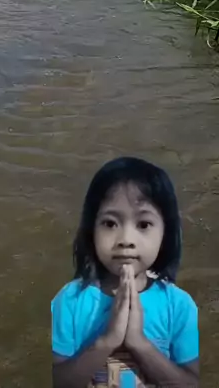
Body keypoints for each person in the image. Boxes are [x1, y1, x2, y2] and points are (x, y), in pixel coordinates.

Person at [51, 156, 199, 387]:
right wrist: (108, 340)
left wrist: (139, 342)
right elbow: (59, 382)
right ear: (91, 229)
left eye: (143, 224)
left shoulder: (179, 306)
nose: (126, 240)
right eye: (110, 223)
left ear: (165, 233)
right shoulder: (69, 300)